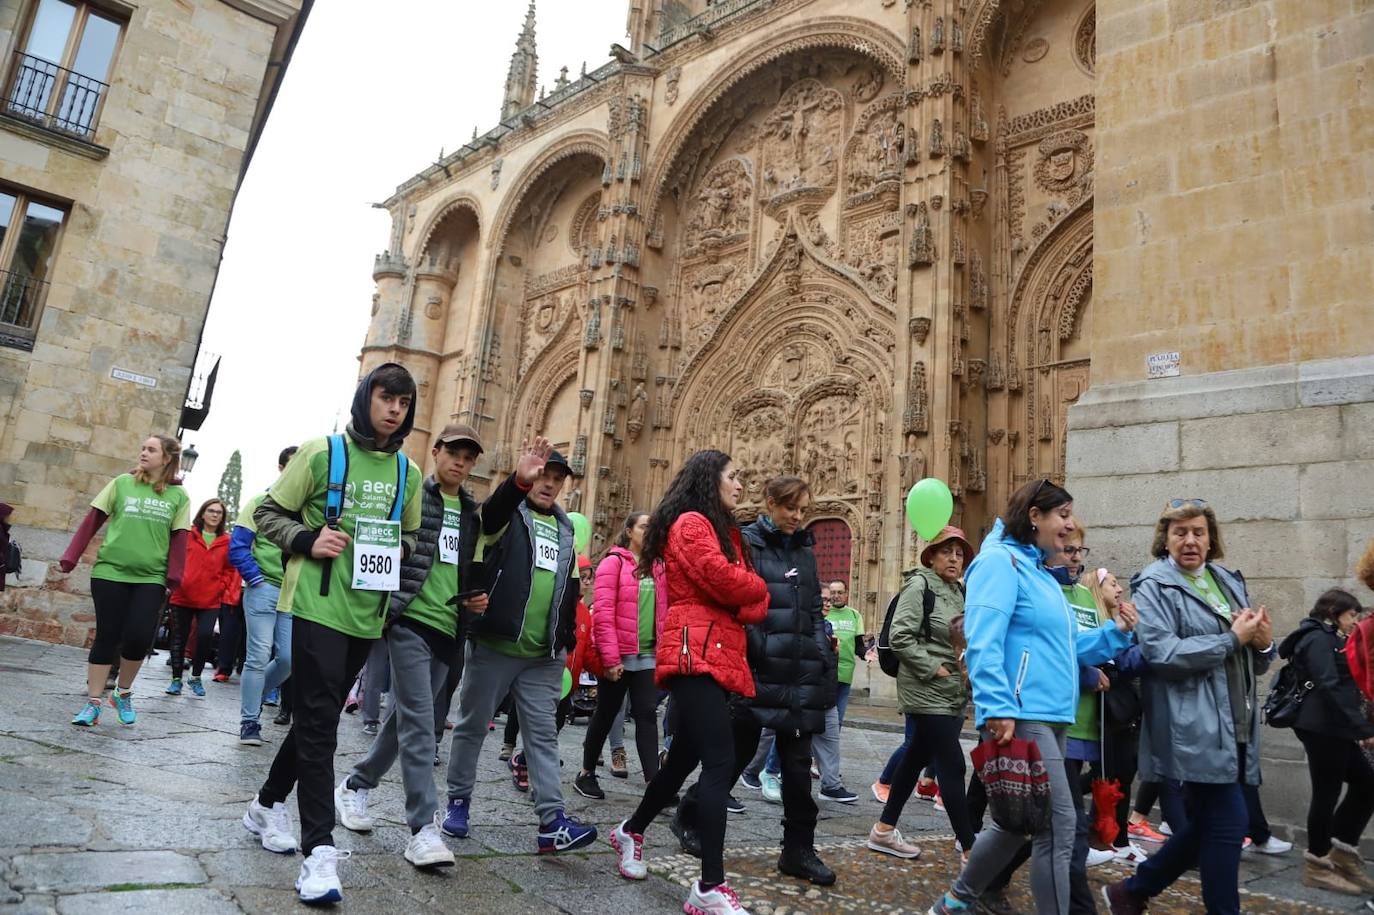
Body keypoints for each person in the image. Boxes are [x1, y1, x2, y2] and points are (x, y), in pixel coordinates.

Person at [240, 362, 422, 905]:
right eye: (387, 397)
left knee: (315, 720)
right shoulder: (321, 453)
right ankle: (318, 853)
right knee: (321, 726)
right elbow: (265, 513)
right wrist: (307, 539)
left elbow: (413, 536)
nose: (395, 409)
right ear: (367, 397)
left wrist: (399, 549)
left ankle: (265, 805)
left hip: (367, 615)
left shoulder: (408, 474)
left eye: (404, 402)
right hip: (316, 608)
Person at [929, 479, 1135, 915]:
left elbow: (1069, 647)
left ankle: (954, 902)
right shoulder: (999, 562)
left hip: (1051, 713)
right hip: (1021, 713)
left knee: (1013, 824)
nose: (1070, 524)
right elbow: (983, 637)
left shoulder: (1040, 572)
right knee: (1059, 829)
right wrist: (997, 704)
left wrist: (1116, 633)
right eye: (1062, 514)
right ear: (1035, 516)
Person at [609, 450, 769, 915]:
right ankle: (709, 887)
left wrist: (746, 591)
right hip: (692, 652)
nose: (741, 485)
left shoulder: (726, 533)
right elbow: (731, 584)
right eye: (734, 476)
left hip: (717, 652)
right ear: (709, 479)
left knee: (680, 764)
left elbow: (748, 599)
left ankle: (631, 830)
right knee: (722, 762)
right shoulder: (691, 524)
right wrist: (749, 589)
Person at [1101, 499, 1275, 915]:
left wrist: (1264, 641)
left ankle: (1132, 892)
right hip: (1190, 728)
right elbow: (1163, 653)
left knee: (1210, 825)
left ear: (1211, 537)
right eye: (1180, 533)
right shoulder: (1154, 585)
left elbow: (1254, 657)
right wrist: (1233, 639)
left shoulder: (1226, 580)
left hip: (1236, 724)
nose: (1190, 540)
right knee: (1231, 823)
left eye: (1198, 531)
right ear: (1166, 539)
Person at [334, 423, 486, 869]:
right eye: (453, 452)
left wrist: (475, 598)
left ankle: (356, 785)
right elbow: (380, 543)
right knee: (423, 722)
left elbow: (470, 566)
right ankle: (422, 828)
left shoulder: (473, 512)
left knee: (404, 720)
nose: (460, 461)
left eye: (469, 456)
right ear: (436, 451)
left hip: (448, 625)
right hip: (409, 621)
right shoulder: (415, 494)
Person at [440, 437, 596, 854]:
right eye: (544, 475)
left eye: (557, 478)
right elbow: (487, 518)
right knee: (473, 726)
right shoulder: (511, 514)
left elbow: (570, 591)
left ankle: (552, 822)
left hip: (542, 656)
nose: (549, 483)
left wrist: (565, 641)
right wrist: (516, 483)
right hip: (496, 642)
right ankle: (458, 801)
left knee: (543, 737)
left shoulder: (566, 530)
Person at [60, 435, 190, 726]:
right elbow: (92, 520)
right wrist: (71, 556)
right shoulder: (121, 483)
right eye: (143, 448)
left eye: (151, 449)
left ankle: (123, 691)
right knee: (107, 635)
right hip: (110, 572)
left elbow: (180, 538)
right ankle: (93, 702)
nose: (143, 453)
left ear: (167, 458)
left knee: (139, 637)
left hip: (151, 577)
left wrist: (175, 575)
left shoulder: (179, 497)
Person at [869, 526, 977, 861]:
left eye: (959, 554)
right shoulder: (919, 585)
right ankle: (971, 848)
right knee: (952, 763)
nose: (954, 559)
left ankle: (883, 831)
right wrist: (935, 668)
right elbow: (901, 636)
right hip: (927, 688)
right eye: (947, 551)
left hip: (952, 690)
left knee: (916, 756)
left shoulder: (958, 592)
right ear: (931, 556)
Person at [1278, 588, 1374, 895]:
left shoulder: (1331, 638)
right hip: (1322, 728)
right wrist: (1363, 729)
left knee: (1368, 783)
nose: (1354, 621)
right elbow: (1330, 685)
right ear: (1333, 612)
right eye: (1351, 615)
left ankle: (1342, 851)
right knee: (1326, 794)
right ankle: (1317, 865)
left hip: (1337, 727)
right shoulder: (1318, 639)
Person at [575, 511, 667, 799]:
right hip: (619, 655)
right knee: (605, 713)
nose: (648, 531)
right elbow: (603, 612)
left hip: (648, 654)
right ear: (629, 531)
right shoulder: (613, 563)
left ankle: (654, 783)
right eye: (643, 526)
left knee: (646, 715)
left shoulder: (659, 567)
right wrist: (611, 658)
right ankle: (586, 773)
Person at [231, 446, 298, 746]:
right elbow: (238, 546)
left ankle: (252, 698)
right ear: (282, 468)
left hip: (293, 593)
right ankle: (249, 721)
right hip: (262, 588)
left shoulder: (307, 511)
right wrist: (255, 578)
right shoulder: (259, 501)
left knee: (287, 659)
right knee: (257, 657)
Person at [1083, 567, 1151, 865]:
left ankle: (1113, 838)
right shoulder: (1099, 624)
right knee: (1107, 777)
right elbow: (1119, 663)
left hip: (1123, 711)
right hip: (1103, 713)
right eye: (1112, 584)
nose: (1120, 589)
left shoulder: (1117, 623)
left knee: (1119, 777)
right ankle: (1099, 837)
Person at [166, 499, 234, 698]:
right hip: (182, 595)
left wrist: (221, 587)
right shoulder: (187, 535)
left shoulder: (227, 541)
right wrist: (175, 581)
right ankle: (176, 679)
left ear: (222, 517)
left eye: (218, 513)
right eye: (210, 511)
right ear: (202, 513)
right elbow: (174, 558)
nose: (214, 515)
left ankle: (195, 677)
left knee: (205, 636)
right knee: (179, 638)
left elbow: (230, 569)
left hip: (210, 599)